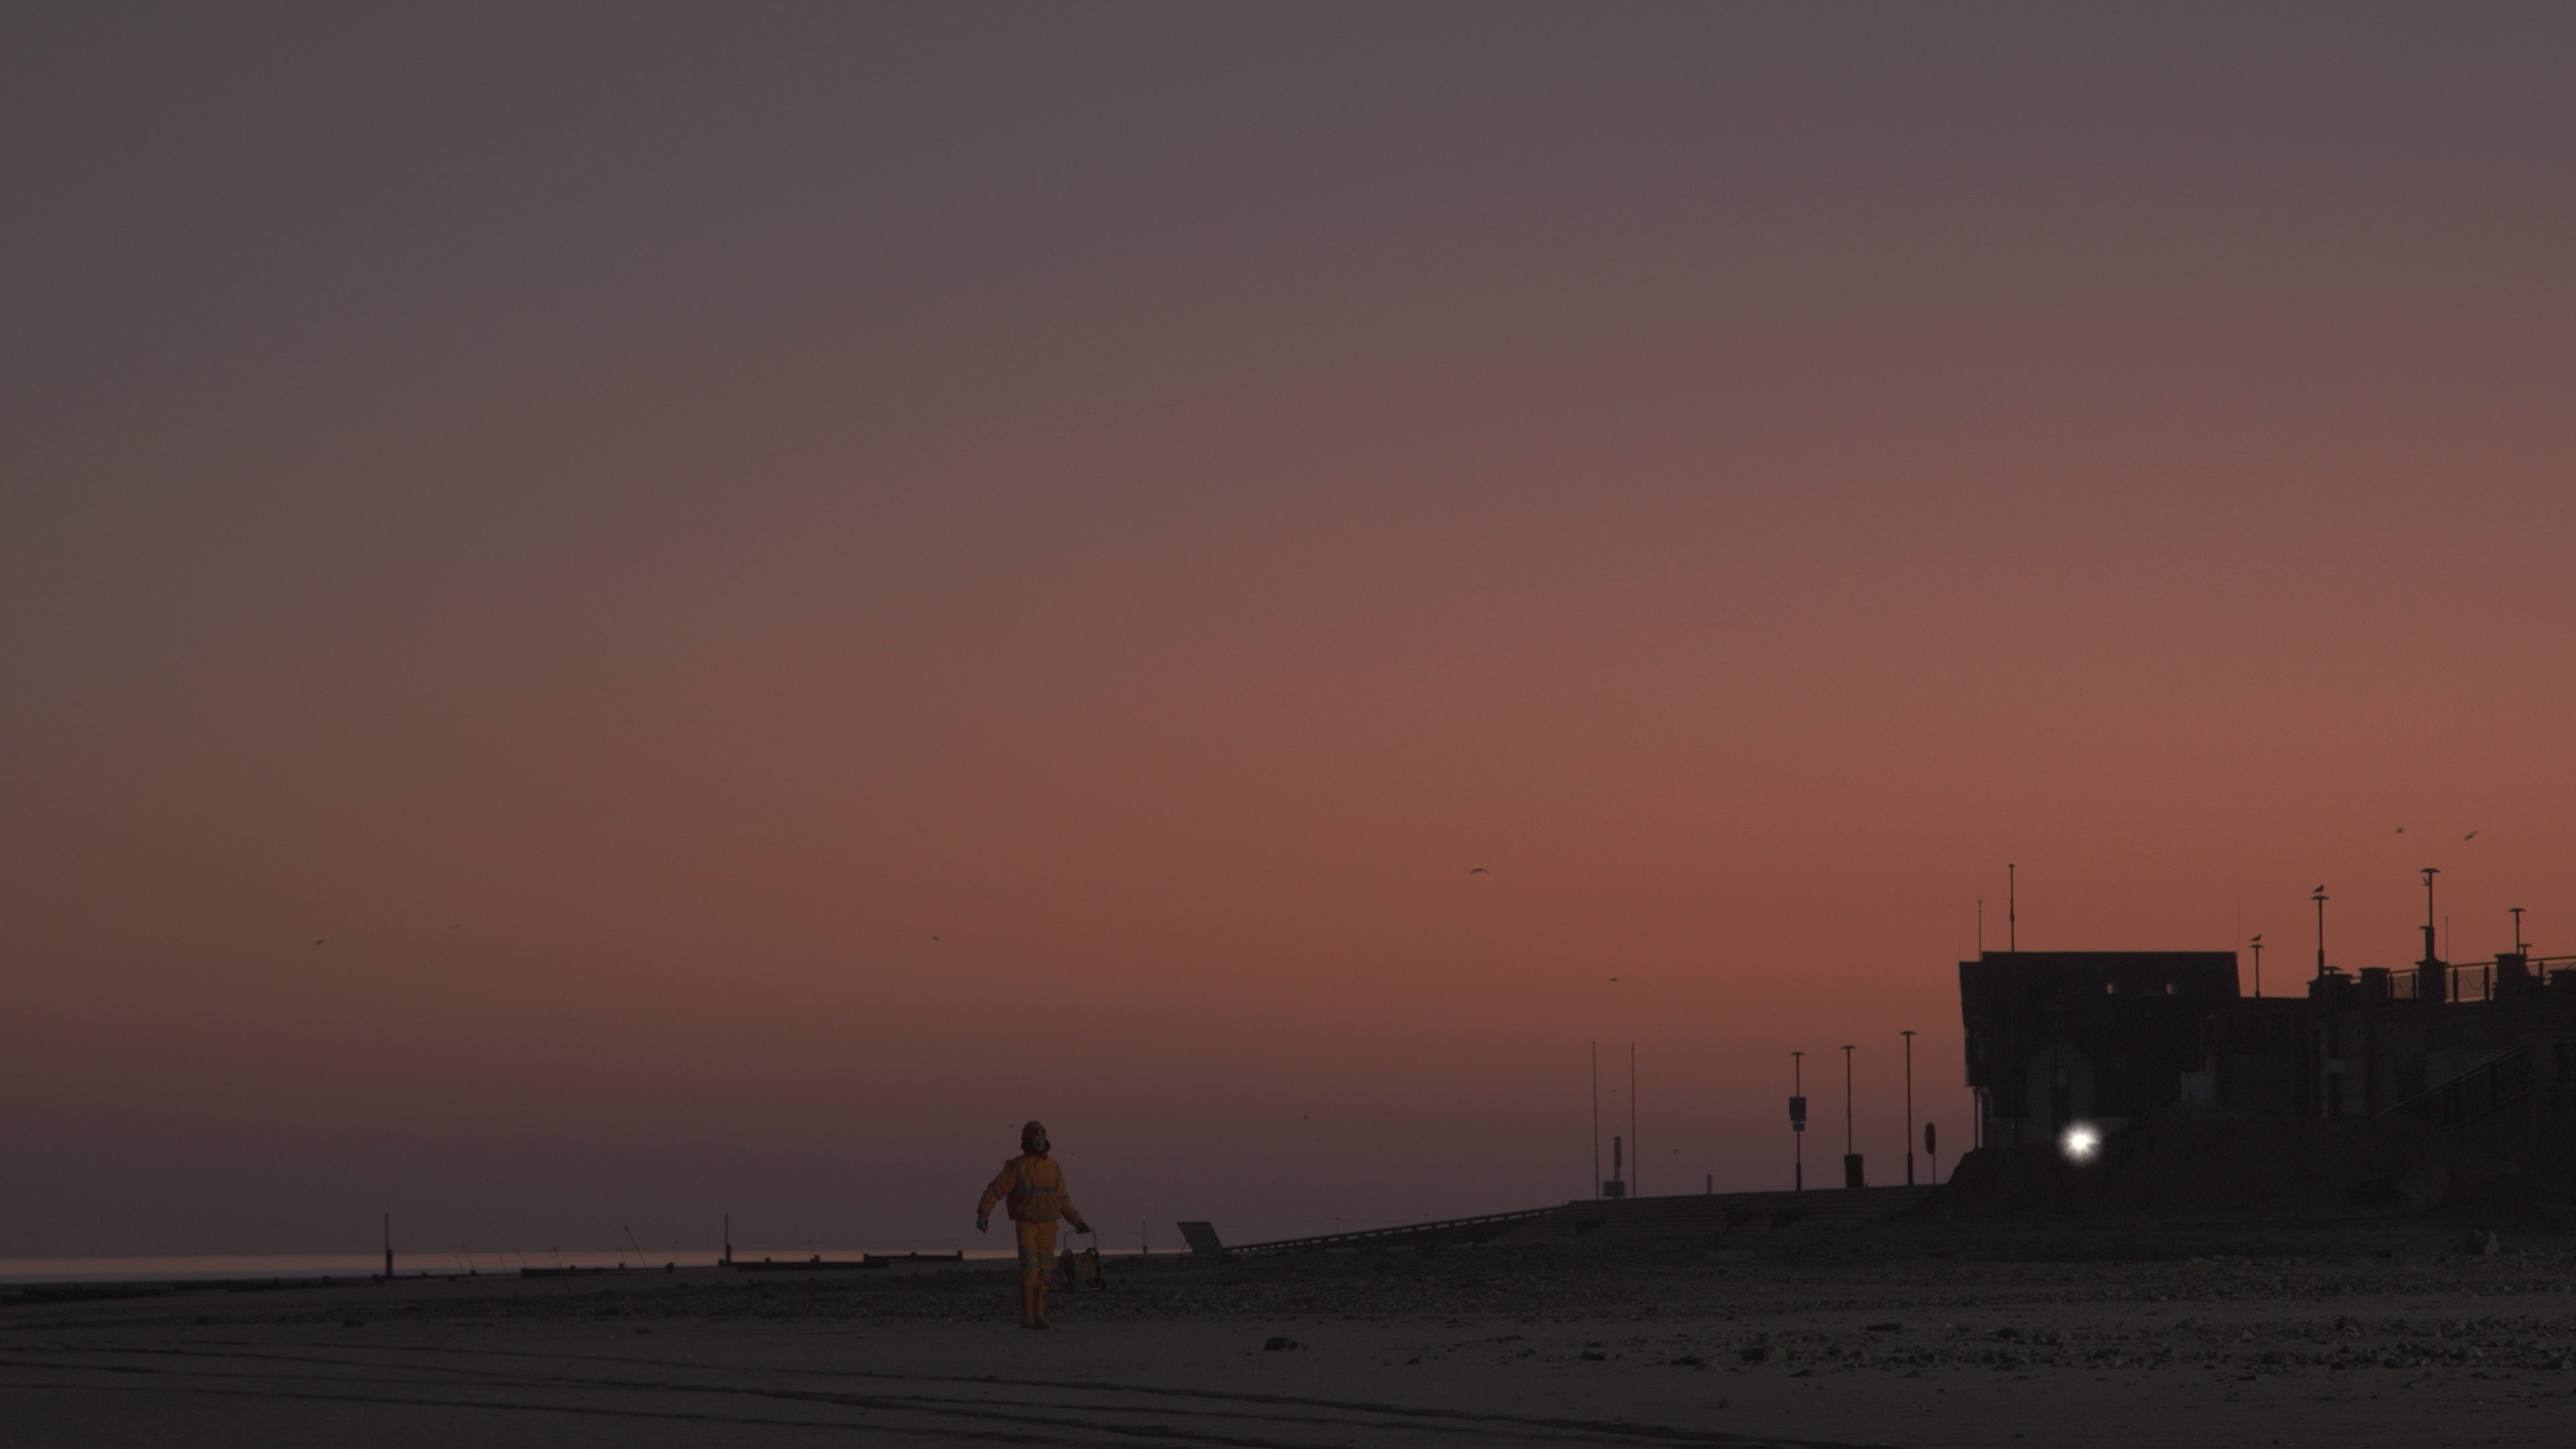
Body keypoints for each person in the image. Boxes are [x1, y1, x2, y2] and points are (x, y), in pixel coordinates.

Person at [975, 1120, 1093, 1328]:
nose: (1039, 1140)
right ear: (1026, 1140)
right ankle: (1027, 1316)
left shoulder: (1053, 1167)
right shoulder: (1017, 1167)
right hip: (1026, 1225)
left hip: (1049, 1226)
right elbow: (996, 1190)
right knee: (1030, 1269)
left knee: (1045, 1272)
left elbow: (1063, 1200)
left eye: (1041, 1136)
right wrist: (984, 1213)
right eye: (1034, 1136)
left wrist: (1079, 1222)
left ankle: (1039, 1316)